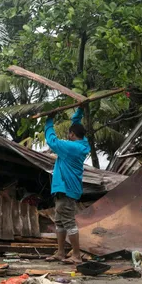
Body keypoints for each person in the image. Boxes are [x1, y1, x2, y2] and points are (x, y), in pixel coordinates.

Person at [44, 107, 90, 264]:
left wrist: (48, 121)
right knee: (60, 222)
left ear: (71, 135)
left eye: (69, 134)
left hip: (66, 190)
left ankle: (76, 255)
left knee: (68, 222)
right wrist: (80, 110)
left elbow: (52, 141)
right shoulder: (82, 143)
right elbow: (76, 124)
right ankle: (61, 253)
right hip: (64, 190)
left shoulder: (71, 148)